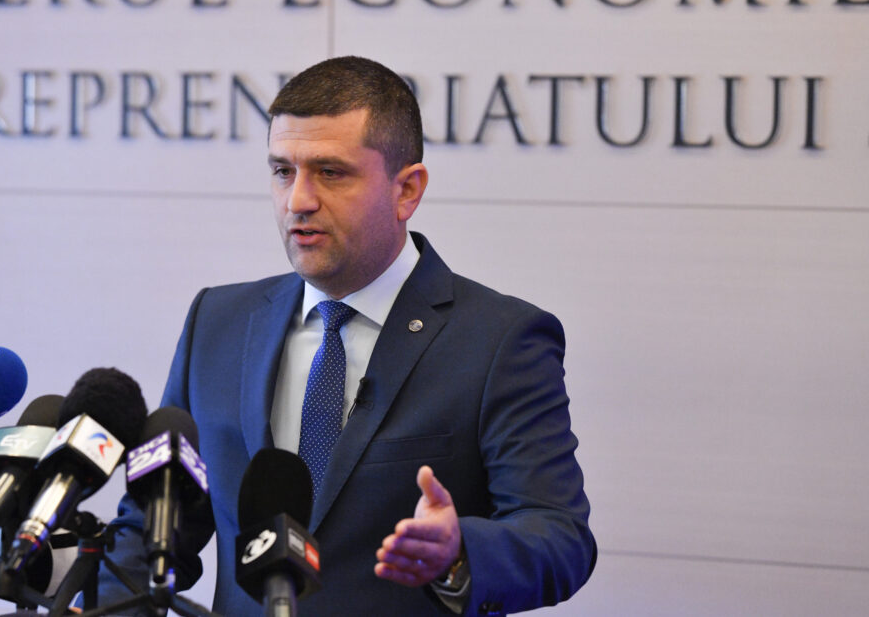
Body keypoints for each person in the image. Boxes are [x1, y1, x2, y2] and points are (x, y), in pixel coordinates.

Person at [98, 56, 596, 616]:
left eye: (330, 172)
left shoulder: (499, 340)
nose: (298, 200)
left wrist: (459, 553)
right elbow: (155, 521)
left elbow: (560, 538)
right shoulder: (217, 322)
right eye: (282, 171)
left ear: (407, 190)